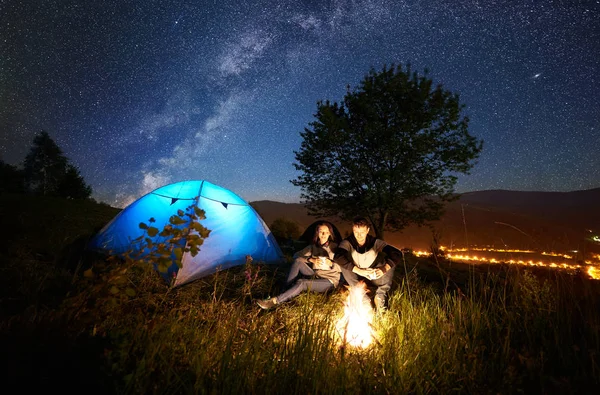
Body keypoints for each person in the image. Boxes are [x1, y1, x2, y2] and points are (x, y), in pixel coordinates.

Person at [257, 222, 341, 309]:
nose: (323, 234)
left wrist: (331, 263)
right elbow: (296, 256)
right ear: (317, 233)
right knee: (298, 261)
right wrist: (310, 259)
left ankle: (274, 301)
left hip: (329, 280)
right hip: (316, 275)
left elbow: (344, 267)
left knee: (301, 282)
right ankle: (285, 292)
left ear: (330, 234)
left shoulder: (335, 248)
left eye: (326, 232)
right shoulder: (313, 247)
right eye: (321, 231)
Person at [334, 216, 401, 311]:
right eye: (356, 232)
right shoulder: (348, 242)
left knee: (389, 264)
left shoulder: (375, 242)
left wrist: (384, 269)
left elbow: (397, 253)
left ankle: (380, 297)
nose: (359, 235)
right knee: (342, 262)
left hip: (373, 275)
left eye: (362, 232)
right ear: (353, 230)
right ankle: (362, 297)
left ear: (367, 230)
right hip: (357, 275)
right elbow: (337, 256)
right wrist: (359, 271)